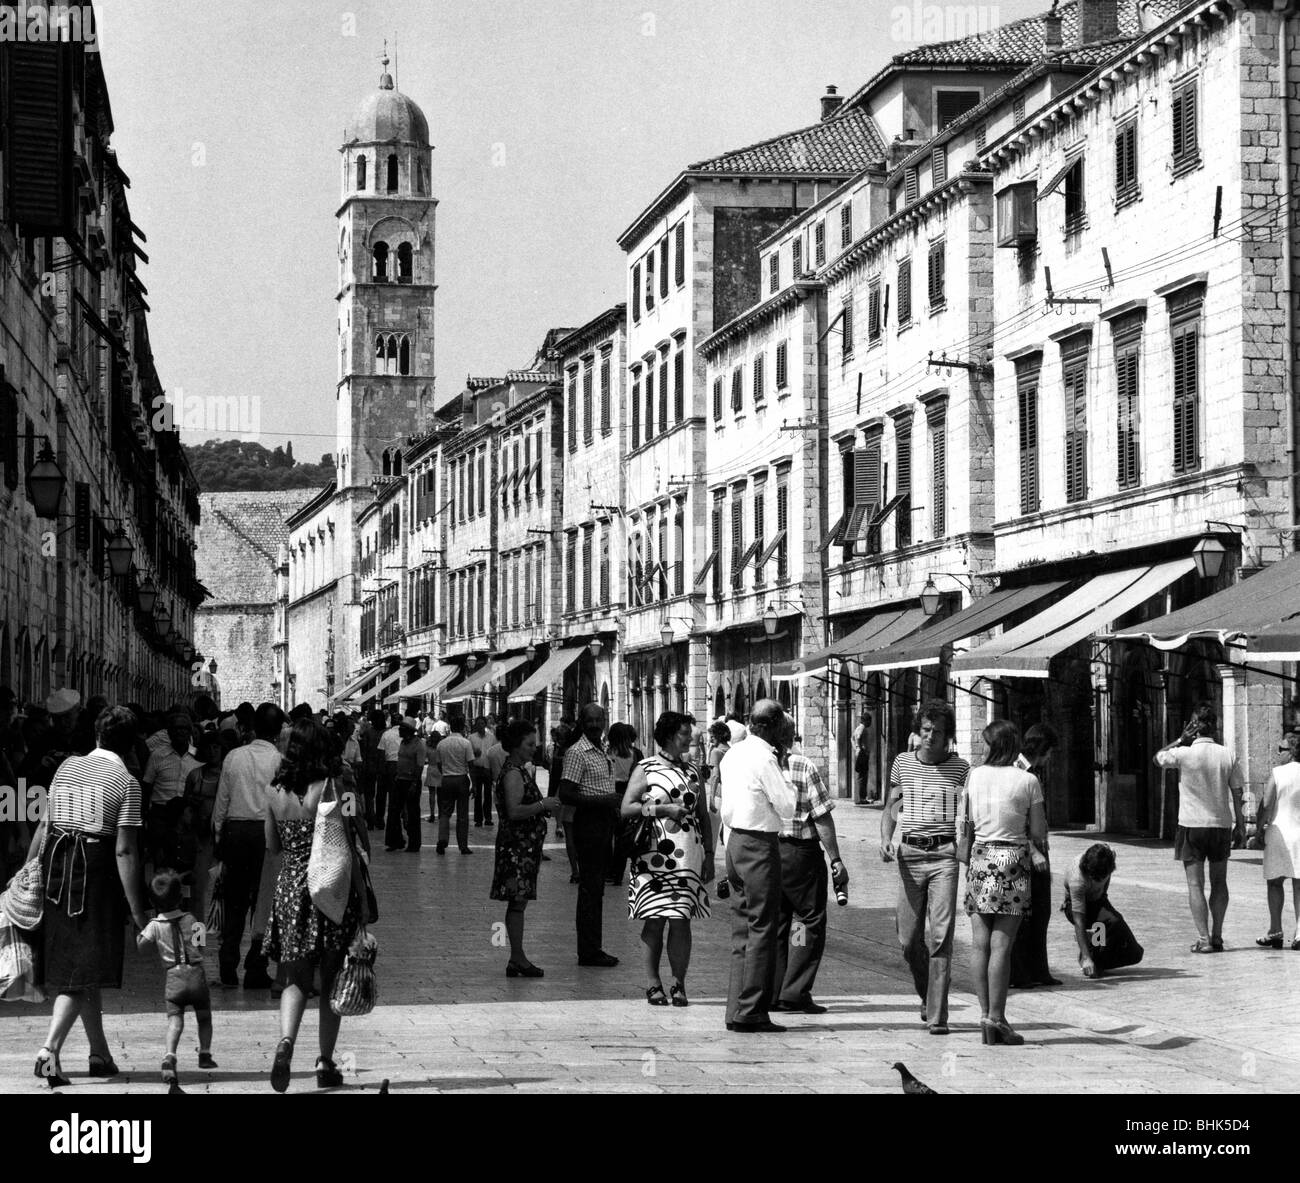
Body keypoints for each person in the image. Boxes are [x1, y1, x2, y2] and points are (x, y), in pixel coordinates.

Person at [30, 706, 152, 1088]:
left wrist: (27, 872)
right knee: (81, 967)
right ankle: (49, 1051)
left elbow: (45, 824)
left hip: (55, 866)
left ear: (96, 735)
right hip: (93, 871)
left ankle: (99, 1053)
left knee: (83, 963)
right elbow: (125, 851)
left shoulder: (66, 767)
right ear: (131, 743)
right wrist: (138, 911)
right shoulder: (127, 781)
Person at [264, 719, 367, 1092]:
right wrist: (364, 901)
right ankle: (325, 1062)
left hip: (291, 889)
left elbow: (273, 846)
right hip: (329, 889)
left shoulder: (274, 790)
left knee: (295, 977)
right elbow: (349, 847)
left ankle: (286, 1043)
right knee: (331, 978)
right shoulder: (330, 787)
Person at [880, 698, 969, 1035]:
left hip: (945, 858)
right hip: (909, 855)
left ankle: (938, 1016)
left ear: (948, 737)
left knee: (941, 937)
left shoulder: (961, 769)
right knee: (907, 939)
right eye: (926, 730)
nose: (931, 737)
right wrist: (886, 838)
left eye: (938, 732)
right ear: (918, 732)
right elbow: (891, 806)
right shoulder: (902, 763)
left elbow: (971, 814)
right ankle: (926, 993)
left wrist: (965, 847)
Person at [962, 720, 1048, 1046]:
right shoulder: (1028, 780)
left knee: (979, 943)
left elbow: (967, 819)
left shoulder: (975, 775)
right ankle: (998, 1018)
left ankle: (985, 1015)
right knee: (1002, 945)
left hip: (981, 856)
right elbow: (1038, 832)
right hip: (1011, 858)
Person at [621, 712, 713, 1006]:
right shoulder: (645, 768)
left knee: (681, 920)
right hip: (653, 855)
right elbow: (627, 808)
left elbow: (703, 817)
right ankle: (652, 984)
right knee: (655, 920)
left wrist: (710, 855)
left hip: (687, 854)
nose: (691, 737)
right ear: (672, 735)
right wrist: (663, 810)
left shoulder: (693, 772)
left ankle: (679, 983)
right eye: (686, 733)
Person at [719, 699, 795, 1033]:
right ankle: (752, 1010)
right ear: (770, 725)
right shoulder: (765, 757)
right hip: (758, 845)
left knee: (742, 929)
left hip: (734, 842)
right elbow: (788, 806)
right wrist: (788, 778)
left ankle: (736, 1007)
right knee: (763, 927)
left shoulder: (733, 752)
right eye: (782, 724)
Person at [1154, 700, 1245, 952]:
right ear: (1214, 727)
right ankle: (1217, 936)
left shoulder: (1183, 753)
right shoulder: (1228, 754)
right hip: (1220, 825)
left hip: (1191, 825)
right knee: (1219, 882)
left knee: (1195, 884)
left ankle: (1203, 939)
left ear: (1192, 727)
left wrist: (1180, 740)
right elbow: (1237, 792)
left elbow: (1157, 757)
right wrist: (1239, 824)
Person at [772, 716, 847, 1015]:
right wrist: (836, 859)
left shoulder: (757, 765)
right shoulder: (802, 766)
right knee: (805, 920)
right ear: (791, 738)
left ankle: (775, 989)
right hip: (800, 857)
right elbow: (821, 817)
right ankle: (794, 989)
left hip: (768, 852)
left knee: (778, 923)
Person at [211, 703, 282, 988]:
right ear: (277, 731)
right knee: (263, 902)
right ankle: (256, 966)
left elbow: (222, 800)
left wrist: (218, 836)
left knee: (233, 900)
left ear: (253, 727)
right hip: (266, 834)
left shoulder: (234, 757)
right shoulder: (279, 760)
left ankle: (227, 965)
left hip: (236, 832)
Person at [491, 719, 563, 977]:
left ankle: (516, 957)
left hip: (522, 848)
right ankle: (517, 957)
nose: (535, 748)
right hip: (517, 849)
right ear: (516, 745)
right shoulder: (513, 773)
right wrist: (543, 805)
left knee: (518, 902)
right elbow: (514, 810)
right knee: (517, 903)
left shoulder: (518, 769)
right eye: (530, 744)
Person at [136, 869, 217, 1084]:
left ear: (153, 903)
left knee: (175, 1020)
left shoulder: (155, 925)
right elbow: (201, 945)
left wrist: (142, 931)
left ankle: (169, 1056)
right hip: (196, 975)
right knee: (204, 1016)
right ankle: (205, 1053)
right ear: (181, 898)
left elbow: (141, 946)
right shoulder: (191, 919)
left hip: (173, 978)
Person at [558, 704, 621, 967]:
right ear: (582, 722)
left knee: (596, 890)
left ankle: (593, 946)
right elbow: (566, 793)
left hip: (603, 822)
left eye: (599, 720)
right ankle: (588, 950)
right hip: (589, 823)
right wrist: (604, 800)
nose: (595, 724)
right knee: (590, 889)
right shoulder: (577, 752)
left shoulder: (600, 750)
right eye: (590, 720)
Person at [1010, 722, 1062, 988]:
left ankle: (1039, 970)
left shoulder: (1034, 772)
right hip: (1023, 850)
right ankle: (1020, 973)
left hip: (1039, 847)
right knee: (1023, 914)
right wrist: (1033, 851)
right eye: (1050, 750)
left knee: (1041, 911)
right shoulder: (1016, 772)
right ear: (1042, 748)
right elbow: (1013, 818)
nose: (1051, 757)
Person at [1062, 842, 1144, 977]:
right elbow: (1079, 921)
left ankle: (1094, 951)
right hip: (1075, 907)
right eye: (1094, 878)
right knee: (1104, 923)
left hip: (1098, 901)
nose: (1098, 881)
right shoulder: (1077, 879)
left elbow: (1106, 882)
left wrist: (1103, 898)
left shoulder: (1109, 855)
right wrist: (1088, 958)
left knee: (1135, 953)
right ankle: (1090, 959)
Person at [1255, 732, 1300, 949]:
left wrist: (1258, 830)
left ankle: (1275, 930)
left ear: (1291, 752)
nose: (1278, 753)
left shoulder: (1278, 773)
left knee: (1274, 882)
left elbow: (1266, 804)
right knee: (1299, 884)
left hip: (1279, 832)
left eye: (1281, 749)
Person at [141, 711, 200, 869]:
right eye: (176, 728)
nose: (180, 731)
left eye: (184, 728)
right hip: (161, 815)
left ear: (189, 732)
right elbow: (147, 786)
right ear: (169, 732)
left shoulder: (197, 757)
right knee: (161, 864)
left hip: (186, 815)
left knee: (186, 863)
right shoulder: (157, 756)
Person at [606, 723, 643, 887]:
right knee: (624, 836)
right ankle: (618, 874)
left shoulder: (607, 754)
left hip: (611, 794)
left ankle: (609, 870)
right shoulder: (635, 754)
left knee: (609, 835)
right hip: (630, 794)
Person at [432, 714, 475, 854]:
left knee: (444, 812)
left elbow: (439, 764)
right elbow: (471, 764)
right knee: (462, 814)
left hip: (446, 779)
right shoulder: (465, 743)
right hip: (461, 779)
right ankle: (463, 846)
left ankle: (442, 839)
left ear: (450, 727)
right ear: (462, 727)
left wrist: (445, 772)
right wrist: (473, 783)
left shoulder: (441, 743)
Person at [386, 717, 427, 852]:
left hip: (411, 781)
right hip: (400, 779)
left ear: (408, 730)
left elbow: (420, 765)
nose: (399, 730)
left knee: (413, 812)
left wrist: (414, 783)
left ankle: (414, 844)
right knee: (394, 810)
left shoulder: (419, 744)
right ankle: (395, 841)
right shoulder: (403, 742)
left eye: (402, 729)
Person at [375, 713, 401, 834]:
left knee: (381, 794)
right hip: (400, 766)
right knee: (395, 796)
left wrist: (381, 769)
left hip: (388, 765)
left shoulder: (386, 734)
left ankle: (380, 819)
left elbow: (381, 753)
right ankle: (396, 818)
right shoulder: (405, 735)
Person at [470, 716, 494, 829]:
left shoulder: (491, 737)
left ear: (485, 724)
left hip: (488, 768)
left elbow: (493, 753)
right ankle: (478, 819)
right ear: (476, 725)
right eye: (478, 723)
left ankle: (488, 818)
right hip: (477, 768)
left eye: (482, 723)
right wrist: (474, 752)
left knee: (488, 794)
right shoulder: (471, 738)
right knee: (477, 794)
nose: (480, 725)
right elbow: (468, 754)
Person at [852, 710, 873, 803]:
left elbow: (851, 739)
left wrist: (856, 748)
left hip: (859, 753)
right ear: (866, 721)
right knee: (863, 776)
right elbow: (859, 737)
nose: (870, 723)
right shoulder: (862, 728)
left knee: (860, 775)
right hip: (862, 754)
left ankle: (860, 798)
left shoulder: (857, 728)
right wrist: (861, 748)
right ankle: (862, 798)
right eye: (869, 721)